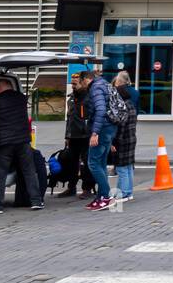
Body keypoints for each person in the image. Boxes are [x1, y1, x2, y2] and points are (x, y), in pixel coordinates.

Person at [0, 79, 42, 213]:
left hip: (4, 142)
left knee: (0, 173)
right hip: (23, 141)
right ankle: (36, 201)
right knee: (29, 171)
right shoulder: (21, 98)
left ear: (0, 88)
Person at [83, 69, 117, 211]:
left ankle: (106, 197)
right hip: (110, 128)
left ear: (86, 80)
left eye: (82, 82)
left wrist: (95, 132)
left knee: (93, 163)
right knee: (101, 163)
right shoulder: (105, 84)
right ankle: (101, 196)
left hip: (102, 129)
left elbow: (101, 110)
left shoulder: (96, 88)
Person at [59, 75, 96, 198]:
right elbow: (69, 118)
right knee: (71, 162)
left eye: (75, 84)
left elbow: (92, 116)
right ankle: (71, 187)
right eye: (72, 84)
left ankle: (87, 188)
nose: (73, 86)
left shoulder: (89, 97)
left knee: (86, 163)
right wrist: (67, 136)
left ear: (83, 83)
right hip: (73, 135)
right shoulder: (71, 99)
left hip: (85, 135)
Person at [111, 71, 140, 201]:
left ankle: (125, 192)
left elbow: (120, 126)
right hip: (132, 137)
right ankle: (126, 191)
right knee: (128, 167)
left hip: (123, 139)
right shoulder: (132, 105)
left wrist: (114, 141)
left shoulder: (122, 109)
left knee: (122, 168)